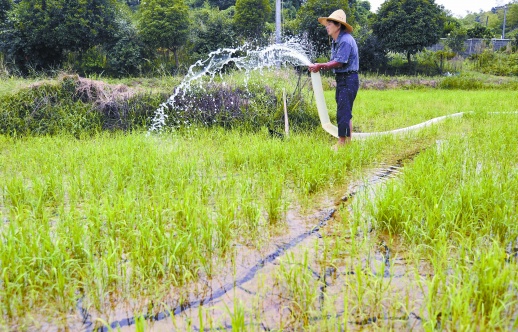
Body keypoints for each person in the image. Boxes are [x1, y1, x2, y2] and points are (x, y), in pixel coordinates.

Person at [308, 9, 359, 149]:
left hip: (348, 79)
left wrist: (320, 66)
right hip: (343, 79)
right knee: (345, 110)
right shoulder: (336, 41)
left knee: (343, 111)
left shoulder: (345, 41)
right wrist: (319, 66)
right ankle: (348, 141)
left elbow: (339, 62)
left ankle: (341, 143)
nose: (327, 26)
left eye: (329, 23)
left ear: (338, 25)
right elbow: (334, 61)